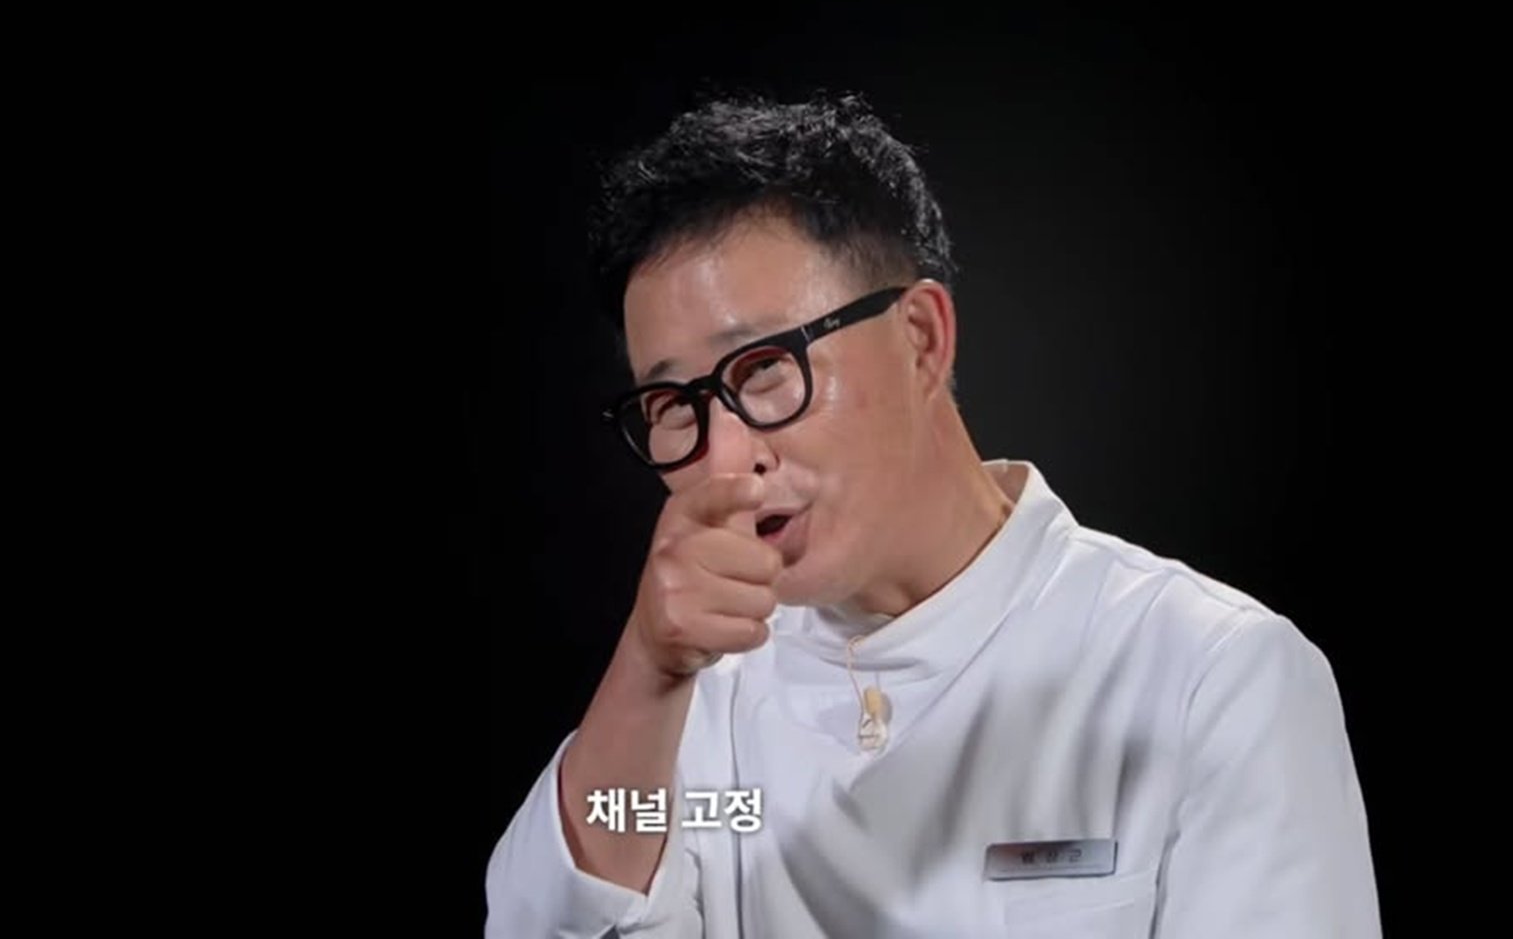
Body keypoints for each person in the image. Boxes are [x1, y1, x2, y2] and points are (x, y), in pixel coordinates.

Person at [485, 94, 1382, 937]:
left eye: (762, 368)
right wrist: (648, 669)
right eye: (675, 404)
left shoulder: (1204, 679)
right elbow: (558, 909)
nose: (725, 460)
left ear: (920, 339)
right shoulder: (695, 710)